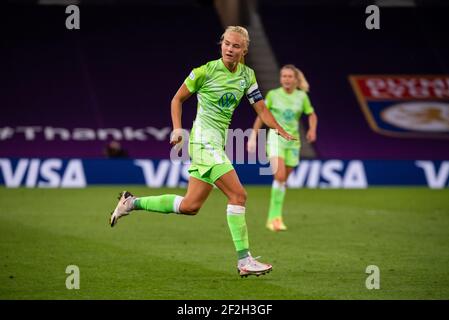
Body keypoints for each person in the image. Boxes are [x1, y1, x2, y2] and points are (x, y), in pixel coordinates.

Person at [109, 26, 295, 277]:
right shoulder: (204, 72)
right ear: (221, 44)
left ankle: (131, 203)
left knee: (190, 206)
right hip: (203, 142)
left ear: (244, 50)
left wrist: (280, 129)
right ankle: (244, 260)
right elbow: (177, 99)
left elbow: (261, 109)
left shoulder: (247, 76)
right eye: (227, 43)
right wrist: (177, 129)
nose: (230, 49)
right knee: (238, 196)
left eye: (236, 46)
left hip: (217, 143)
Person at [247, 64, 318, 232]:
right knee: (279, 176)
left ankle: (274, 218)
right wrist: (253, 136)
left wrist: (312, 129)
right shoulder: (273, 95)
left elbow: (312, 114)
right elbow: (262, 115)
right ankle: (275, 219)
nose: (286, 79)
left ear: (295, 79)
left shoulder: (302, 97)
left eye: (289, 76)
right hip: (276, 139)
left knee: (282, 181)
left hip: (293, 142)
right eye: (283, 76)